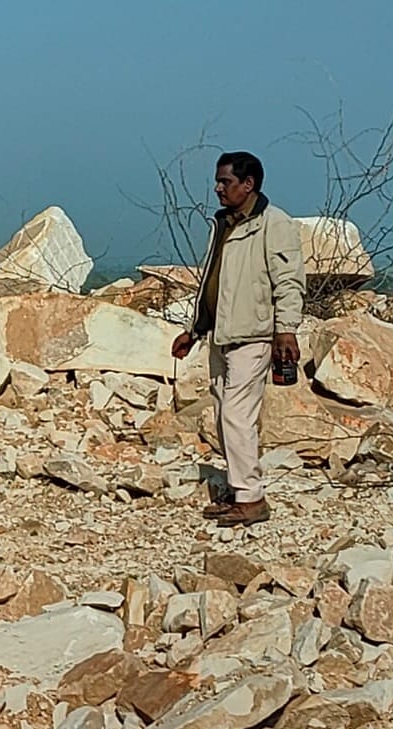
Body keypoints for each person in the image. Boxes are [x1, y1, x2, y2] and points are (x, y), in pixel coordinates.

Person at [171, 151, 304, 527]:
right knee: (224, 415)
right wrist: (195, 329)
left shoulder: (274, 224)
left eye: (225, 181)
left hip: (254, 335)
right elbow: (213, 282)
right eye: (218, 181)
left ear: (248, 184)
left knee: (237, 416)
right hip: (222, 334)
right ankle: (239, 488)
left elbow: (289, 281)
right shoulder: (224, 224)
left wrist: (286, 329)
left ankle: (251, 499)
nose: (218, 188)